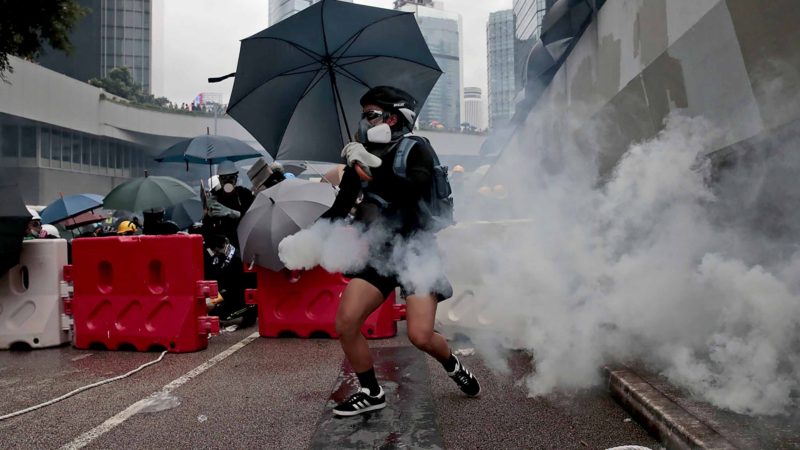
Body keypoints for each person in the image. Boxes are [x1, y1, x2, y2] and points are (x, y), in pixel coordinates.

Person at [319, 86, 480, 417]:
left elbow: (414, 192)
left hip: (416, 251)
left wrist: (373, 171)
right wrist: (307, 238)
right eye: (363, 115)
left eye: (371, 114)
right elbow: (340, 209)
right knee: (346, 322)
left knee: (421, 336)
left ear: (392, 117)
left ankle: (452, 363)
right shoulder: (358, 159)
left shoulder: (415, 148)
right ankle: (371, 391)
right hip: (380, 253)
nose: (364, 121)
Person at [203, 234, 256, 327]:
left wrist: (217, 298)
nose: (215, 253)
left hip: (238, 294)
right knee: (211, 308)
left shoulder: (237, 259)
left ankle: (248, 313)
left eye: (216, 251)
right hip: (228, 291)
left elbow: (235, 286)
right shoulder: (223, 256)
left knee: (217, 312)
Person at [202, 160, 254, 251]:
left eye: (231, 177)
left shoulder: (245, 194)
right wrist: (208, 215)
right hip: (220, 246)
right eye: (224, 178)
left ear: (236, 179)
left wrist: (231, 212)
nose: (228, 181)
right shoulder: (215, 196)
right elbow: (207, 227)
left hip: (240, 243)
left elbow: (251, 218)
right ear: (219, 180)